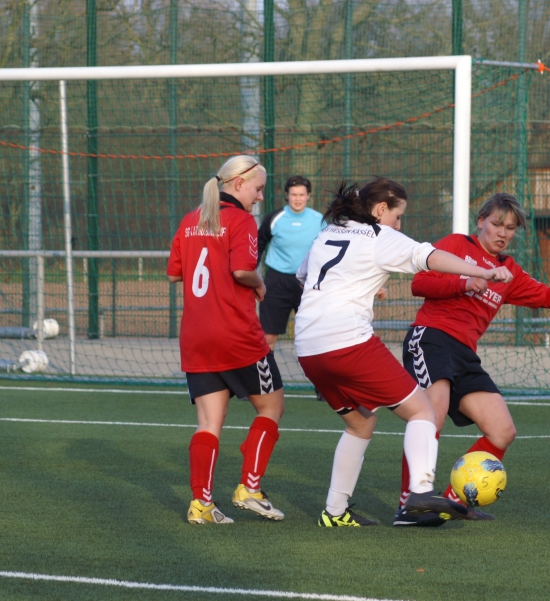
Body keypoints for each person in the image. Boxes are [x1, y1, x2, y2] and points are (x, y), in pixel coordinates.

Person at [294, 178, 514, 527]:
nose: (399, 225)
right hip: (347, 341)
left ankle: (334, 513)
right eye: (398, 217)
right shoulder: (380, 236)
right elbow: (430, 258)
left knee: (360, 423)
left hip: (307, 346)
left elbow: (303, 276)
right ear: (381, 210)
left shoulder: (329, 232)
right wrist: (483, 270)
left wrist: (361, 286)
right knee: (423, 412)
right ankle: (421, 493)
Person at [396, 192, 550, 527]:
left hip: (464, 354)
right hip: (431, 338)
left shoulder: (508, 270)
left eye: (510, 227)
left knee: (502, 431)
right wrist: (467, 282)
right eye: (496, 224)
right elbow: (420, 282)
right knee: (431, 418)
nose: (503, 232)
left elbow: (546, 296)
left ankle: (451, 500)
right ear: (481, 222)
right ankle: (410, 506)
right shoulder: (457, 244)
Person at [167, 155, 287, 525]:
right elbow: (241, 270)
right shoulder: (241, 221)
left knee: (208, 422)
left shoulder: (191, 220)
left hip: (196, 337)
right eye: (258, 188)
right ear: (238, 185)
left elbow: (174, 274)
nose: (260, 197)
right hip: (236, 335)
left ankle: (201, 504)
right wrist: (261, 283)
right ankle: (249, 489)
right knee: (271, 407)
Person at [257, 175, 324, 350]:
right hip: (276, 282)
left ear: (308, 195)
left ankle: (317, 375)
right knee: (268, 336)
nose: (298, 199)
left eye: (302, 195)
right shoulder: (274, 218)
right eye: (294, 194)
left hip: (308, 283)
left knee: (314, 336)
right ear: (287, 195)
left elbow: (330, 252)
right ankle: (264, 374)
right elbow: (258, 245)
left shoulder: (319, 220)